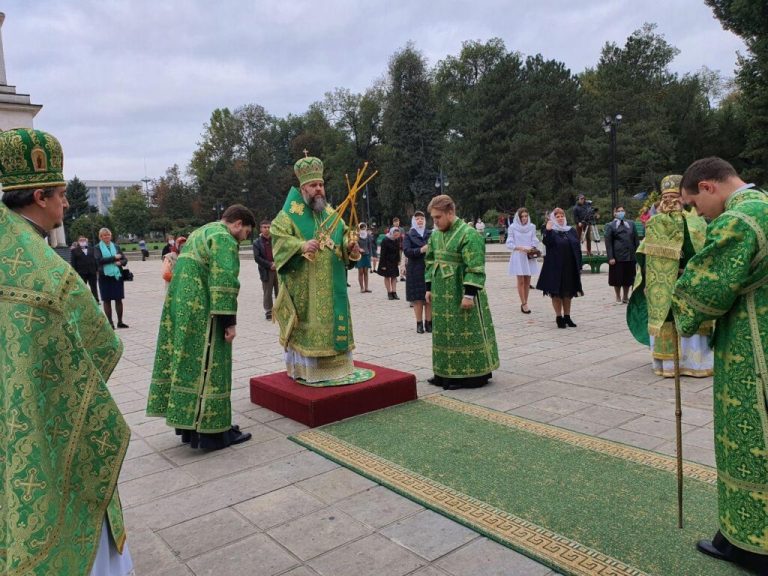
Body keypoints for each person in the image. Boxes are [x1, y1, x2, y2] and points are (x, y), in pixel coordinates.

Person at [0, 128, 133, 575]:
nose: (67, 203)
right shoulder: (46, 272)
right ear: (39, 195)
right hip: (47, 426)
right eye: (61, 194)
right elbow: (99, 345)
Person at [671, 157, 768, 571]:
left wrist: (676, 307)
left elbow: (708, 288)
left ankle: (750, 544)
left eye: (694, 203)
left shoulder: (738, 221)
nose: (697, 214)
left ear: (709, 187)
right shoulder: (764, 204)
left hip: (751, 345)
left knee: (749, 439)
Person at [147, 204, 255, 449]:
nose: (245, 238)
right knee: (212, 366)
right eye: (247, 232)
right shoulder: (224, 237)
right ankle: (214, 432)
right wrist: (229, 321)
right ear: (238, 223)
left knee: (187, 364)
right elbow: (224, 278)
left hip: (182, 307)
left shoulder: (201, 232)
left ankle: (190, 428)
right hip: (204, 311)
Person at [271, 153, 373, 386]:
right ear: (303, 188)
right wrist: (301, 245)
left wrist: (350, 244)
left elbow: (345, 235)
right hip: (305, 289)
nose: (319, 189)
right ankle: (308, 370)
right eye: (313, 185)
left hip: (333, 285)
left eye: (321, 184)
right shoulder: (288, 216)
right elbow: (278, 241)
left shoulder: (330, 213)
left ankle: (339, 368)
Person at [629, 175, 713, 378]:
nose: (669, 201)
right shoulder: (655, 223)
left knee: (692, 319)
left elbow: (704, 252)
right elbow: (644, 254)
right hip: (662, 284)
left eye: (674, 196)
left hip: (688, 281)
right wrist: (648, 278)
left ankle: (695, 363)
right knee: (666, 319)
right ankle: (667, 364)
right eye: (665, 197)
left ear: (682, 198)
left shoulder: (696, 223)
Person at [425, 194, 499, 390]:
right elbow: (430, 260)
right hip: (441, 294)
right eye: (433, 218)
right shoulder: (435, 235)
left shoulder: (469, 234)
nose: (435, 222)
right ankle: (443, 373)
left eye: (438, 217)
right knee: (442, 333)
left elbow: (475, 266)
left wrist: (469, 295)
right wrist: (428, 287)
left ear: (451, 213)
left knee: (463, 332)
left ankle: (469, 376)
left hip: (461, 292)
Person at [535, 208, 583, 328]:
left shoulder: (570, 230)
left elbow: (577, 248)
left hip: (570, 267)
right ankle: (559, 317)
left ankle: (567, 316)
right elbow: (547, 242)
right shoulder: (549, 230)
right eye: (557, 216)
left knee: (568, 293)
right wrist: (549, 229)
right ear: (553, 218)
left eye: (562, 216)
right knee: (556, 293)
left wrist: (579, 264)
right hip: (555, 267)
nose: (560, 218)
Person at [506, 207, 539, 314]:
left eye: (526, 216)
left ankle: (526, 301)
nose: (524, 218)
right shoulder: (512, 227)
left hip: (529, 255)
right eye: (522, 216)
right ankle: (524, 303)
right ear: (518, 217)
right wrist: (520, 248)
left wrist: (533, 246)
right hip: (519, 255)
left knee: (527, 280)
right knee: (520, 280)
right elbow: (509, 243)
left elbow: (534, 239)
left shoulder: (532, 227)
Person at [403, 212, 432, 332]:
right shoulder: (409, 235)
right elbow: (406, 251)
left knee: (430, 297)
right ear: (414, 221)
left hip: (429, 268)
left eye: (422, 218)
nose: (420, 221)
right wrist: (420, 250)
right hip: (415, 270)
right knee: (418, 299)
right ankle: (419, 323)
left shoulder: (431, 233)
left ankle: (429, 322)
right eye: (417, 219)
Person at [95, 227, 129, 329]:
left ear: (111, 236)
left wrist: (120, 262)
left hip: (117, 276)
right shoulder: (97, 247)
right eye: (104, 235)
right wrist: (114, 258)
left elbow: (124, 259)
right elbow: (99, 261)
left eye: (108, 235)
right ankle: (110, 323)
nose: (106, 237)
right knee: (107, 300)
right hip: (104, 276)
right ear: (100, 237)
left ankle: (120, 322)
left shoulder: (116, 246)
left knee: (119, 299)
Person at [604, 205, 638, 304]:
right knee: (617, 278)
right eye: (618, 211)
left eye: (622, 210)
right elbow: (608, 243)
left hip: (630, 256)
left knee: (628, 278)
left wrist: (638, 254)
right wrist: (610, 257)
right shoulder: (611, 225)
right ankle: (618, 297)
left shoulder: (631, 224)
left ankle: (626, 297)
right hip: (617, 257)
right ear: (615, 213)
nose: (621, 212)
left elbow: (636, 240)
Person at [253, 219, 278, 320]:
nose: (267, 229)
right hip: (266, 270)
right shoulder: (257, 242)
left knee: (280, 290)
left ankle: (280, 309)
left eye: (268, 227)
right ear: (261, 228)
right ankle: (269, 311)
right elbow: (257, 257)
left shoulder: (276, 239)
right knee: (267, 291)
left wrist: (277, 263)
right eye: (265, 227)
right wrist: (269, 265)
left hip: (278, 269)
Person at [70, 234, 100, 302]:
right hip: (81, 272)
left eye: (84, 240)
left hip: (92, 271)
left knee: (94, 286)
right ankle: (83, 301)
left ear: (86, 241)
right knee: (82, 287)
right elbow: (73, 263)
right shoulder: (74, 251)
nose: (82, 241)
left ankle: (96, 300)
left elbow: (95, 259)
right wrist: (74, 272)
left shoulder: (92, 249)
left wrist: (97, 269)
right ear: (78, 242)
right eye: (81, 240)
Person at [378, 226, 402, 300]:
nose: (396, 237)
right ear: (391, 233)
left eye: (398, 235)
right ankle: (389, 292)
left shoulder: (397, 240)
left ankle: (394, 292)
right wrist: (382, 265)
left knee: (394, 276)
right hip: (386, 261)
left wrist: (399, 260)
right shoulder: (385, 240)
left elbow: (398, 251)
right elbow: (382, 253)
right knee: (387, 276)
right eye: (395, 235)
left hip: (394, 261)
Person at [355, 222, 375, 293]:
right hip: (359, 256)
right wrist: (359, 249)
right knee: (360, 272)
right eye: (361, 228)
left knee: (366, 272)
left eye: (364, 228)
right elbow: (354, 245)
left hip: (366, 255)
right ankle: (362, 288)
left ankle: (366, 288)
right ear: (359, 228)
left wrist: (371, 255)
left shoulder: (368, 236)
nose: (363, 230)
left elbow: (370, 246)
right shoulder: (356, 236)